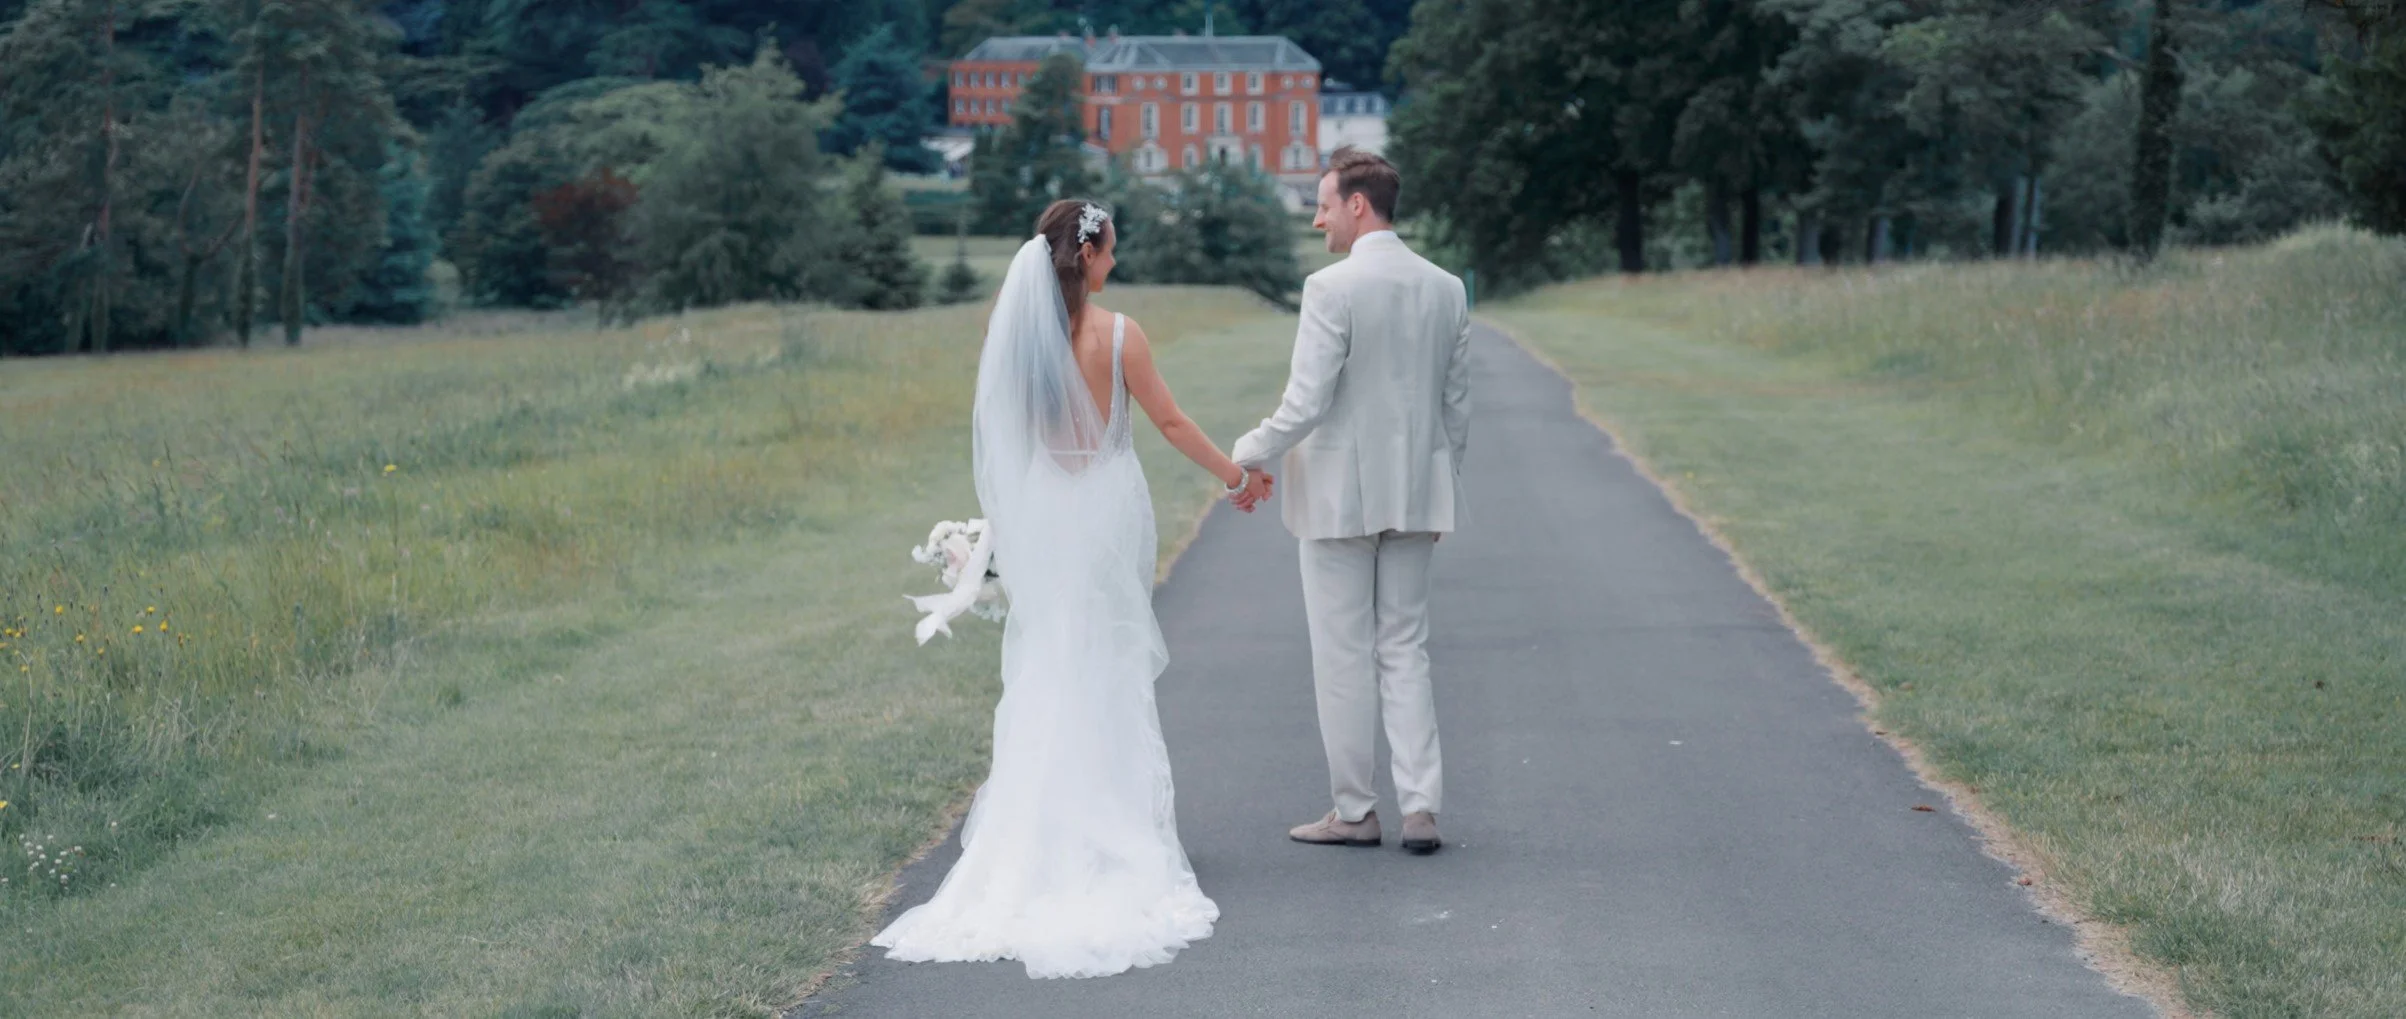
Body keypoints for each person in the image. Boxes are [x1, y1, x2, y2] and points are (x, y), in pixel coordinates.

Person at [875, 198, 1267, 979]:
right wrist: (1236, 476)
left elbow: (1008, 433)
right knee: (1104, 660)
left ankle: (1038, 833)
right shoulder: (1121, 335)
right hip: (1105, 519)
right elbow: (1173, 423)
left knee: (1048, 663)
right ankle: (1109, 833)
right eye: (1110, 249)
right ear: (1085, 255)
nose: (1116, 261)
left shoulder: (1018, 338)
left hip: (1045, 522)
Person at [1231, 146, 1473, 857]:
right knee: (1406, 648)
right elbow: (1457, 408)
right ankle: (1421, 805)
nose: (1318, 217)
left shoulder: (1330, 287)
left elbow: (1305, 402)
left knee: (1342, 653)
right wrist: (1443, 490)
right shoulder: (1447, 288)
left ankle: (1355, 809)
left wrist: (1242, 453)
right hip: (1417, 494)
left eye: (1325, 203)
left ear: (1358, 205)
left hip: (1338, 497)